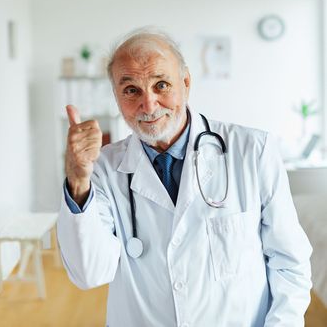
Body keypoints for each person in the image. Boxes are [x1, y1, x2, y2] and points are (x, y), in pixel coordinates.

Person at [57, 27, 312, 327]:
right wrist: (78, 180)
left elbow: (290, 263)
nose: (148, 105)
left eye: (161, 85)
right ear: (116, 96)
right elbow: (89, 273)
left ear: (186, 83)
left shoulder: (252, 151)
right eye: (131, 90)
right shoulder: (102, 169)